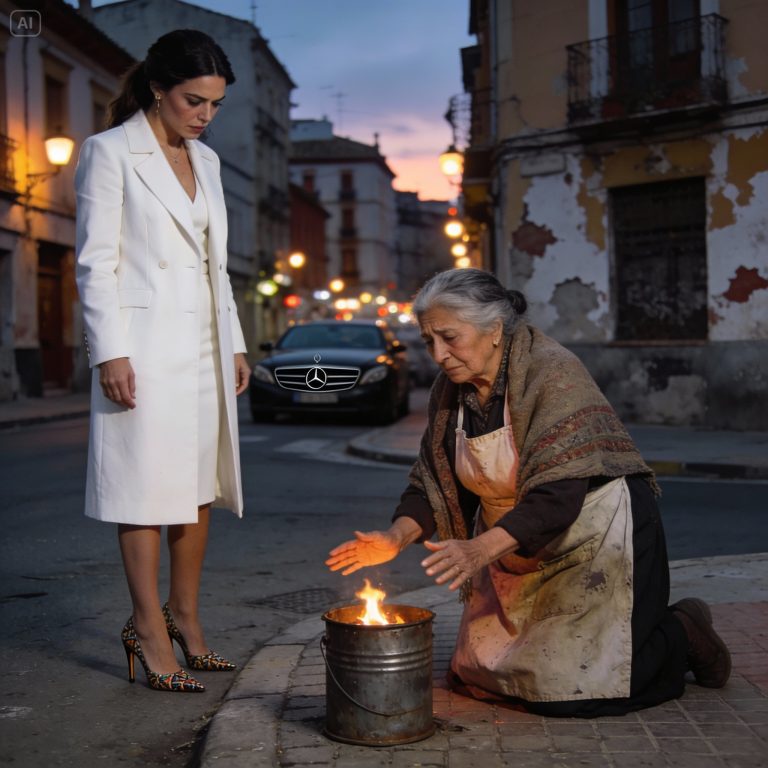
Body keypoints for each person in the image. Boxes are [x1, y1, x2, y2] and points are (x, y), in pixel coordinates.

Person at [327, 268, 731, 717]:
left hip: (593, 532)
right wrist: (394, 538)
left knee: (589, 690)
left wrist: (479, 549)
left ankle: (684, 629)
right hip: (516, 544)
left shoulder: (552, 374)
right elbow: (432, 481)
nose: (439, 354)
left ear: (494, 330)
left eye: (449, 338)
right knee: (478, 677)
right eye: (429, 342)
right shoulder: (450, 390)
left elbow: (558, 496)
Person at [75, 29, 250, 693]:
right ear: (157, 88)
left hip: (202, 345)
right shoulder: (109, 151)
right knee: (145, 491)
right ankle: (148, 629)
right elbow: (95, 262)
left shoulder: (205, 163)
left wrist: (232, 338)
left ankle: (186, 617)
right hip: (142, 348)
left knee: (196, 488)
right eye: (193, 100)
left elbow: (216, 264)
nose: (204, 115)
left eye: (215, 104)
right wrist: (108, 352)